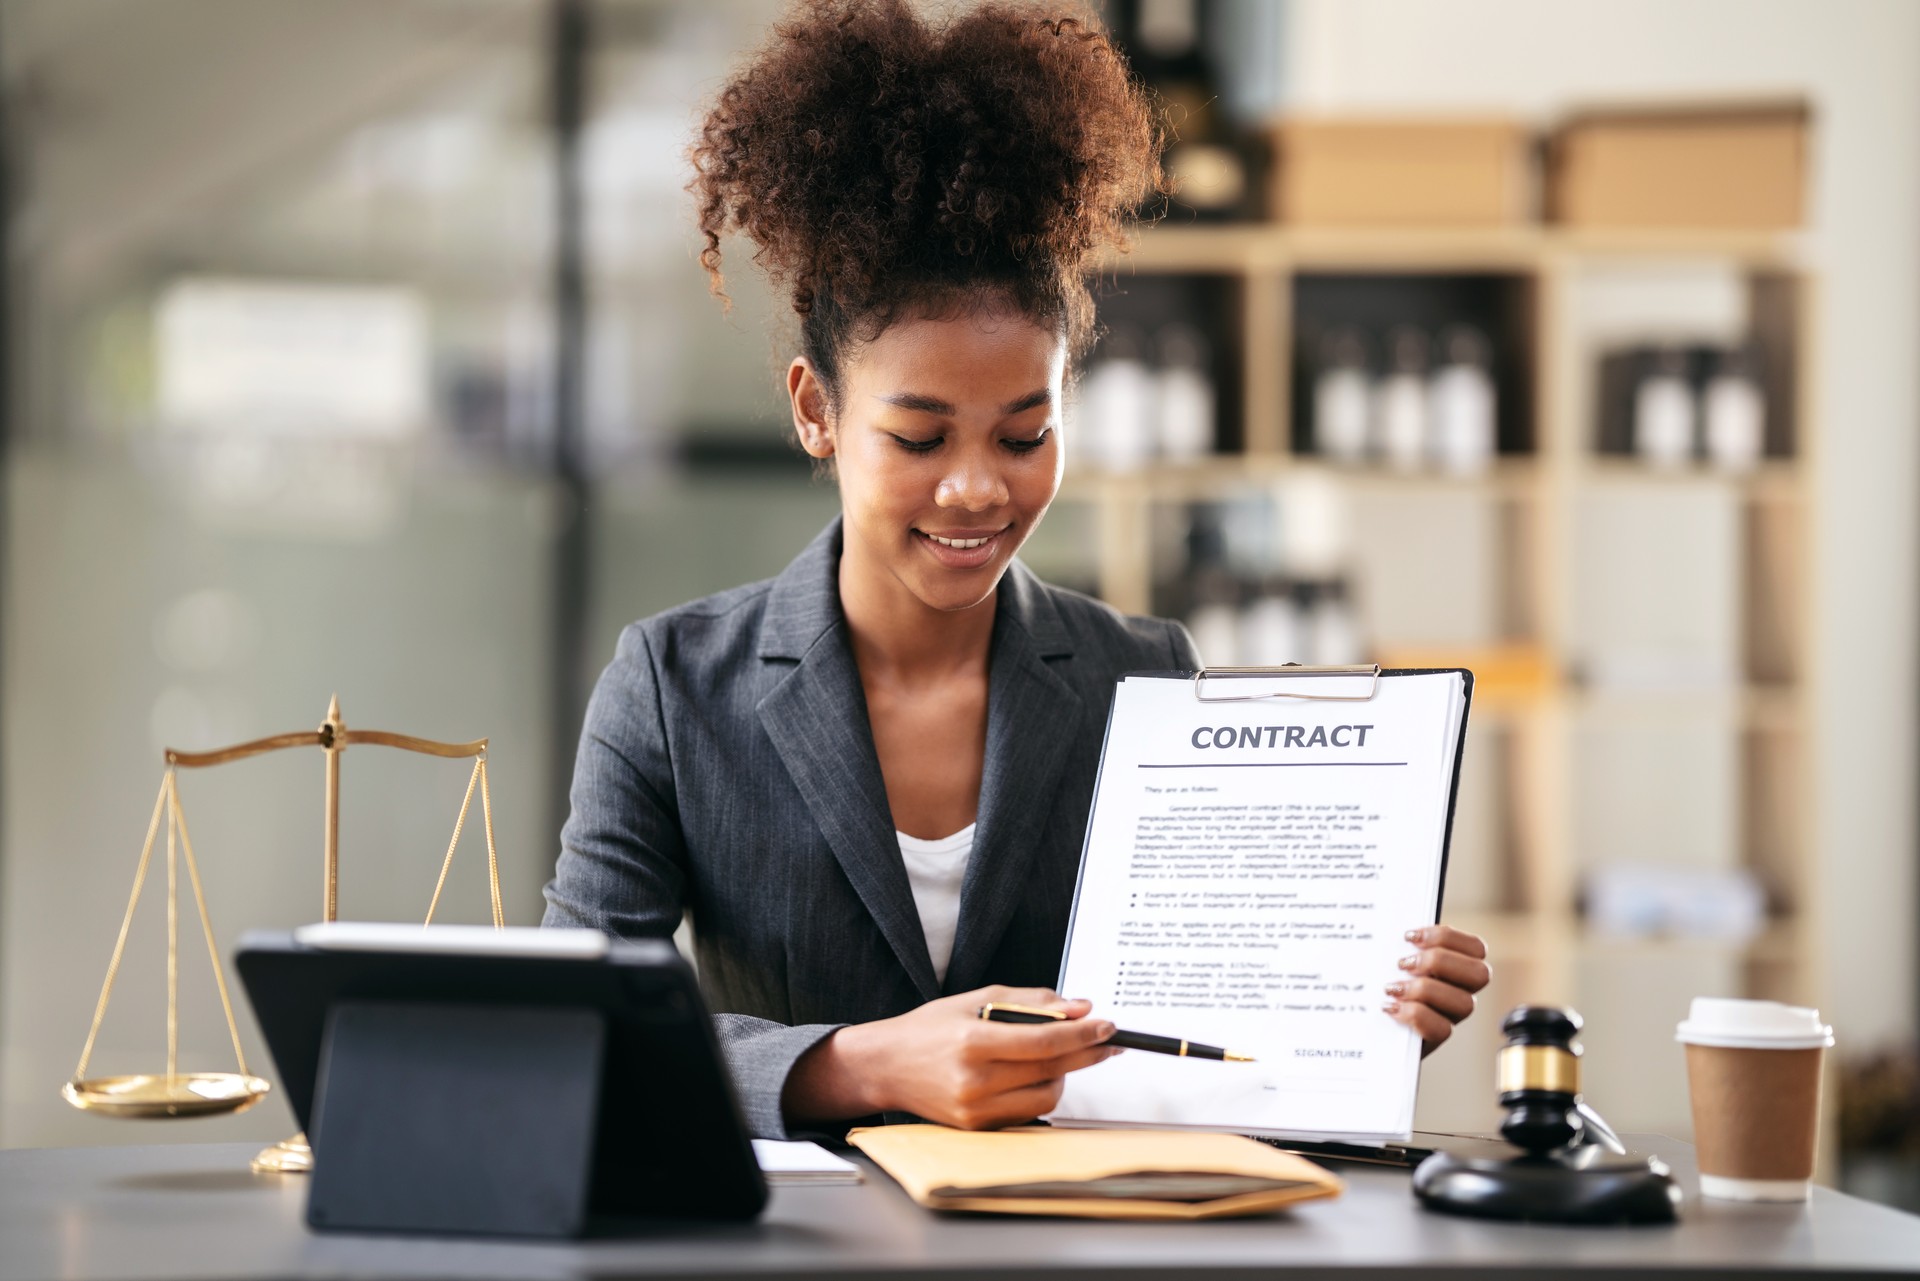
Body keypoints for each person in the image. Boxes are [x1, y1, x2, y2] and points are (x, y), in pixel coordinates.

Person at [542, 0, 1490, 1139]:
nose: (978, 489)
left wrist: (1360, 1005)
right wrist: (863, 1065)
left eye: (1024, 433)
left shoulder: (1142, 678)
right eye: (921, 436)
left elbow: (1203, 1031)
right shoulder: (672, 685)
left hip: (1069, 1239)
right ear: (817, 412)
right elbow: (574, 1026)